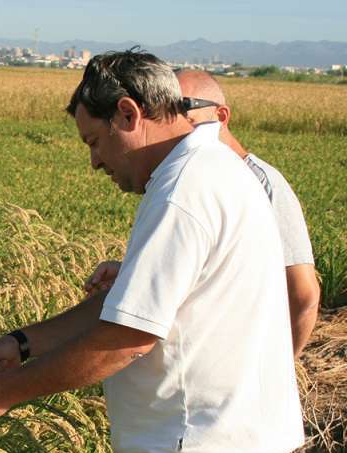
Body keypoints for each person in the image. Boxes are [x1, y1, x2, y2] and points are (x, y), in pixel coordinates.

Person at [0, 50, 304, 453]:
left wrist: (1, 394)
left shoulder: (184, 192)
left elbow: (131, 337)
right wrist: (20, 344)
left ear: (130, 114)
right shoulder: (211, 170)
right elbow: (128, 306)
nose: (94, 163)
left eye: (93, 142)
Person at [86, 69, 320, 358]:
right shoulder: (184, 178)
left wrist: (280, 365)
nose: (172, 116)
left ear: (221, 117)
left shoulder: (262, 183)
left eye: (183, 106)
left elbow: (303, 295)